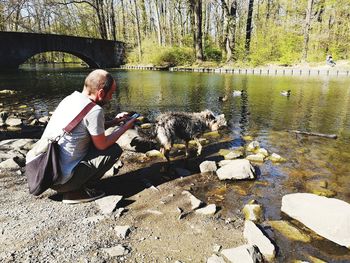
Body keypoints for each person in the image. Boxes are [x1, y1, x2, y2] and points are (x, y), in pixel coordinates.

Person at [35, 69, 136, 204]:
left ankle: (72, 185)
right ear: (101, 93)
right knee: (113, 150)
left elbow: (84, 126)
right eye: (111, 93)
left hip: (47, 174)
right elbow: (102, 145)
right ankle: (75, 192)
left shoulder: (70, 99)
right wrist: (125, 127)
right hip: (63, 182)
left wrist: (114, 122)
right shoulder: (95, 110)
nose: (111, 97)